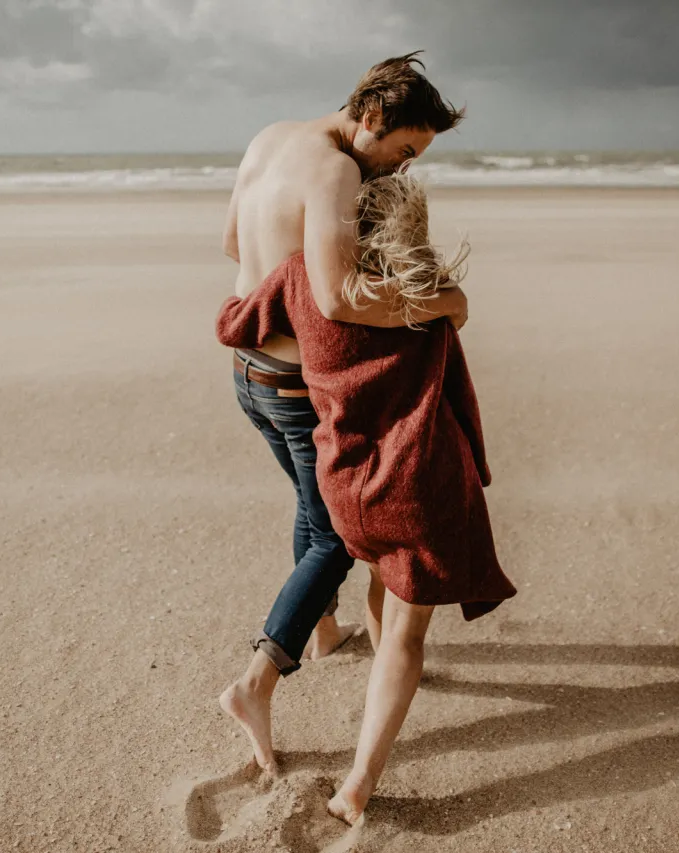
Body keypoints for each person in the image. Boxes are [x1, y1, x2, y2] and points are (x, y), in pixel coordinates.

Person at [218, 172, 517, 824]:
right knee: (406, 639)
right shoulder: (429, 296)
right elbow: (459, 389)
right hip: (420, 486)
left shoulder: (300, 276)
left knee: (380, 566)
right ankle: (356, 783)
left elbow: (231, 321)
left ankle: (363, 666)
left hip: (348, 486)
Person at [217, 52, 468, 777]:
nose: (401, 170)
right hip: (296, 385)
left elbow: (234, 243)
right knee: (337, 535)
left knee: (308, 501)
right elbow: (340, 299)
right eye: (404, 151)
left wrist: (288, 259)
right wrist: (444, 303)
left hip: (246, 372)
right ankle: (256, 681)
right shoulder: (338, 172)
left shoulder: (270, 138)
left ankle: (322, 630)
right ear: (371, 119)